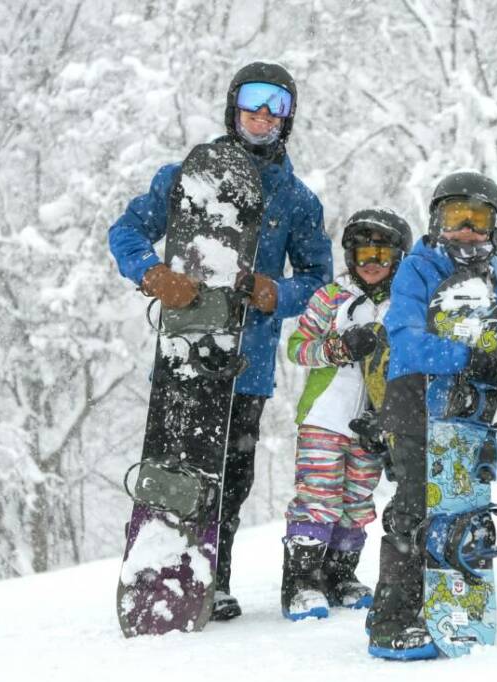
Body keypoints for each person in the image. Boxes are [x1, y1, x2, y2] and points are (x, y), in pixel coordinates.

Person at [108, 61, 333, 620]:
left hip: (247, 362)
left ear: (288, 119)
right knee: (171, 463)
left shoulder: (299, 201)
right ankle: (154, 563)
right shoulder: (184, 178)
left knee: (231, 478)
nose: (262, 116)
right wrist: (149, 272)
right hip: (183, 355)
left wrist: (274, 293)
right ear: (233, 107)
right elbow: (126, 230)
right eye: (253, 104)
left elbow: (318, 280)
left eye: (275, 107)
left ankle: (215, 576)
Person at [366, 171, 497, 660]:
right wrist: (471, 360)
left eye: (476, 219)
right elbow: (407, 339)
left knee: (463, 499)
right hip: (415, 398)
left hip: (469, 407)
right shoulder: (418, 267)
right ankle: (393, 617)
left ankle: (453, 601)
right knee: (419, 501)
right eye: (454, 218)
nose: (464, 230)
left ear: (494, 226)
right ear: (436, 221)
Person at [280, 208, 413, 621]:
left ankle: (340, 575)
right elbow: (297, 346)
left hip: (373, 424)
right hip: (326, 417)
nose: (371, 263)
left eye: (382, 254)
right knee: (319, 497)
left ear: (398, 258)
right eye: (363, 254)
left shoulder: (403, 304)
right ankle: (302, 581)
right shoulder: (331, 298)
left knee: (356, 500)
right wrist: (335, 348)